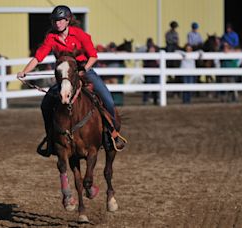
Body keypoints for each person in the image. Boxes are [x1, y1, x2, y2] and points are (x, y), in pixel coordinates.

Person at [17, 5, 126, 157]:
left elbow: (93, 56)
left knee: (108, 101)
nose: (58, 24)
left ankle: (111, 135)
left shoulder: (80, 35)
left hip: (84, 70)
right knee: (45, 105)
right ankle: (51, 139)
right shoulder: (51, 38)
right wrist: (25, 71)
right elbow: (38, 57)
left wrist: (84, 69)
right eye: (55, 21)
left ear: (68, 21)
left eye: (61, 20)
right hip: (66, 75)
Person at [142, 38, 160, 105]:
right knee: (147, 87)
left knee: (156, 87)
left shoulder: (157, 54)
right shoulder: (146, 54)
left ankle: (156, 100)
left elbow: (159, 63)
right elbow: (144, 63)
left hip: (156, 73)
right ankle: (145, 100)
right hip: (148, 73)